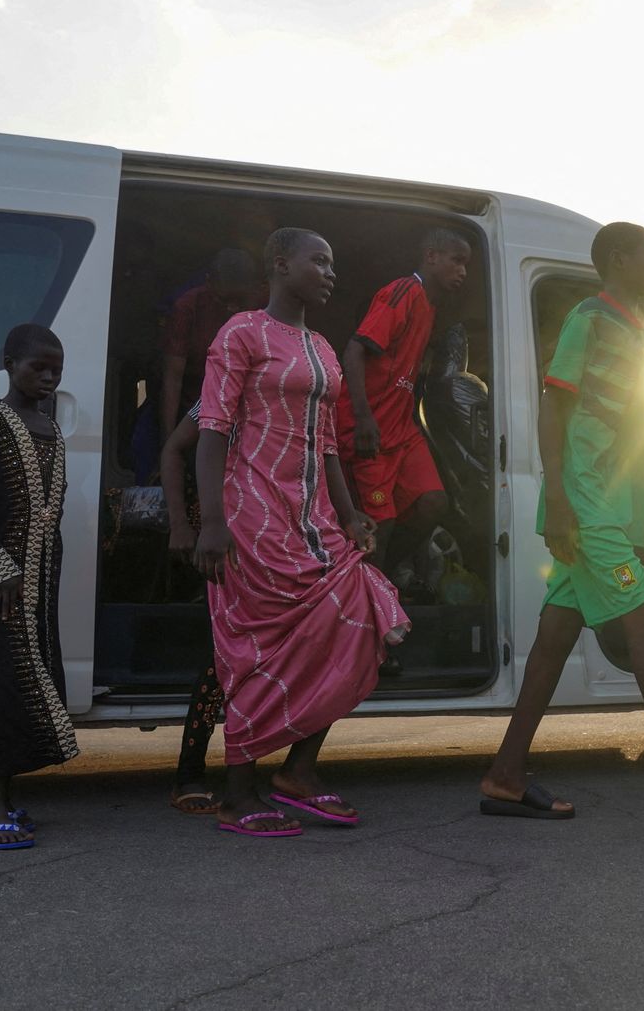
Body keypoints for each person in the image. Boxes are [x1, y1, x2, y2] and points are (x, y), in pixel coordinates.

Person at [477, 222, 644, 833]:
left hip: (608, 507)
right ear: (619, 261)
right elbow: (555, 405)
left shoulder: (636, 332)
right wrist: (561, 497)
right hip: (586, 503)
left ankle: (505, 773)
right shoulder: (590, 321)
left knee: (555, 636)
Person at [193, 227, 408, 838]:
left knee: (360, 621)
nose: (330, 271)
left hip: (313, 519)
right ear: (280, 265)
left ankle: (299, 771)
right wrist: (211, 521)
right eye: (320, 260)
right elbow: (211, 430)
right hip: (253, 515)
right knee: (253, 650)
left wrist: (348, 513)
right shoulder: (241, 332)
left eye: (332, 263)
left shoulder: (325, 351)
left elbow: (329, 447)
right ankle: (237, 793)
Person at [0, 323, 81, 850]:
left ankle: (8, 795)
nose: (48, 376)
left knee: (34, 678)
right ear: (9, 363)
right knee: (4, 682)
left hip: (42, 575)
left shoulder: (48, 423)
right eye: (37, 367)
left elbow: (54, 506)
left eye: (56, 369)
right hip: (2, 580)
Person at [338, 228, 472, 579]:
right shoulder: (402, 292)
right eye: (457, 261)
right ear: (431, 257)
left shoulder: (428, 307)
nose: (463, 272)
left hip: (401, 429)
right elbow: (353, 352)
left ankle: (387, 575)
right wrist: (364, 419)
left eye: (466, 265)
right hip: (370, 433)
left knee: (434, 503)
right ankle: (371, 597)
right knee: (380, 526)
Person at [159, 402, 227, 814]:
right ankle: (190, 772)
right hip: (222, 542)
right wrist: (181, 522)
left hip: (275, 540)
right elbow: (173, 450)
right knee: (218, 661)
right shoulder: (217, 394)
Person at [160, 249, 263, 444]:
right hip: (193, 406)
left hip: (250, 414)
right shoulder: (188, 307)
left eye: (240, 301)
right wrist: (167, 444)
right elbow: (172, 380)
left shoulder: (267, 308)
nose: (232, 308)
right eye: (224, 300)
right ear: (209, 283)